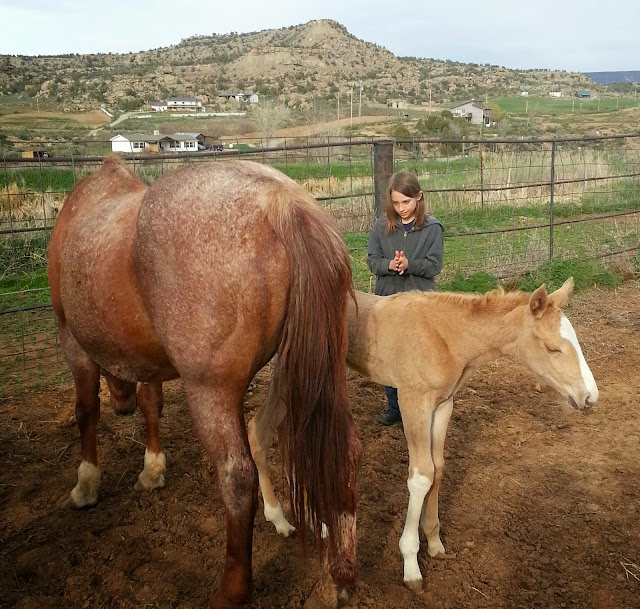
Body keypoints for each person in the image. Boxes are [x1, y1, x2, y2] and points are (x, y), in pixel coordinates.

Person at [366, 170, 444, 426]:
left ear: (418, 197)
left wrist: (410, 265)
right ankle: (394, 407)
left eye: (406, 202)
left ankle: (420, 406)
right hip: (388, 302)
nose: (401, 208)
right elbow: (372, 261)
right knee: (390, 357)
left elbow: (434, 266)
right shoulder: (380, 227)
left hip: (420, 304)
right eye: (396, 202)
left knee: (419, 357)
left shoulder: (432, 229)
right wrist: (389, 265)